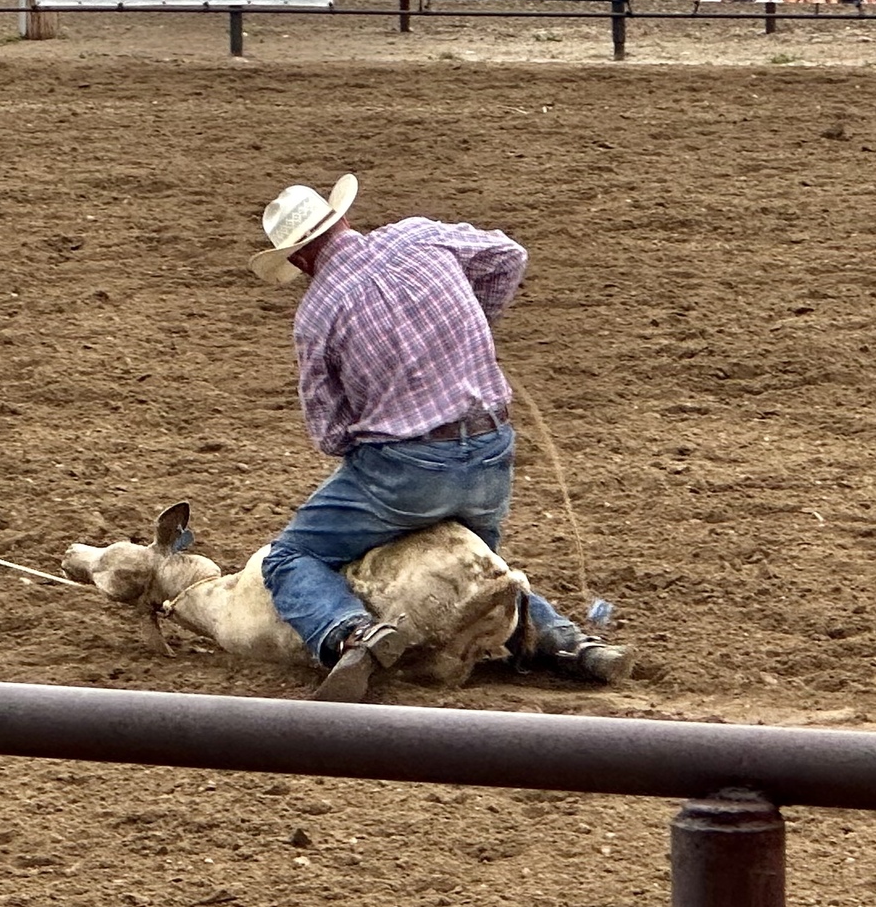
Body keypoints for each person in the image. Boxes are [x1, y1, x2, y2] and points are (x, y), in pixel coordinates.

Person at [250, 174, 633, 703]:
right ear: (342, 219)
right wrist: (471, 327)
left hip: (403, 471)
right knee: (479, 572)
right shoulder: (419, 237)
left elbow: (329, 432)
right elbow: (508, 256)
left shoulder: (317, 314)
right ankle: (573, 645)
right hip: (491, 452)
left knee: (289, 557)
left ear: (296, 259)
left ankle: (351, 634)